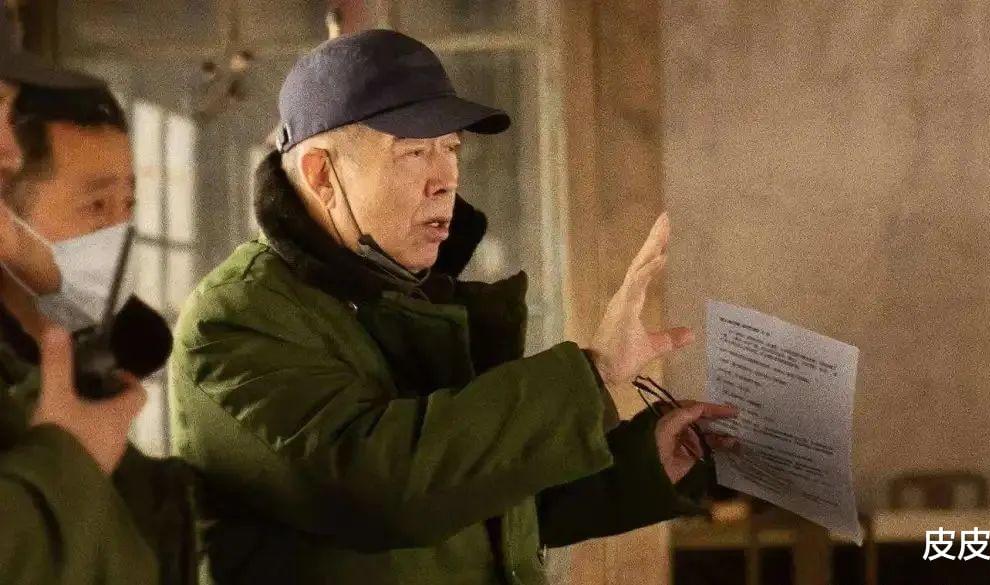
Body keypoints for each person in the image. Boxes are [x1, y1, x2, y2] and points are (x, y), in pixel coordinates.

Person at [170, 29, 738, 584]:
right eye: (414, 152)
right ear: (322, 174)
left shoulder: (399, 293)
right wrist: (593, 371)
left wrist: (647, 463)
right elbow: (384, 490)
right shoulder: (234, 318)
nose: (445, 180)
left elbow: (488, 506)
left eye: (451, 148)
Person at [0, 78, 199, 585]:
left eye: (127, 205)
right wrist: (67, 460)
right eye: (95, 206)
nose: (119, 233)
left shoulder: (84, 371)